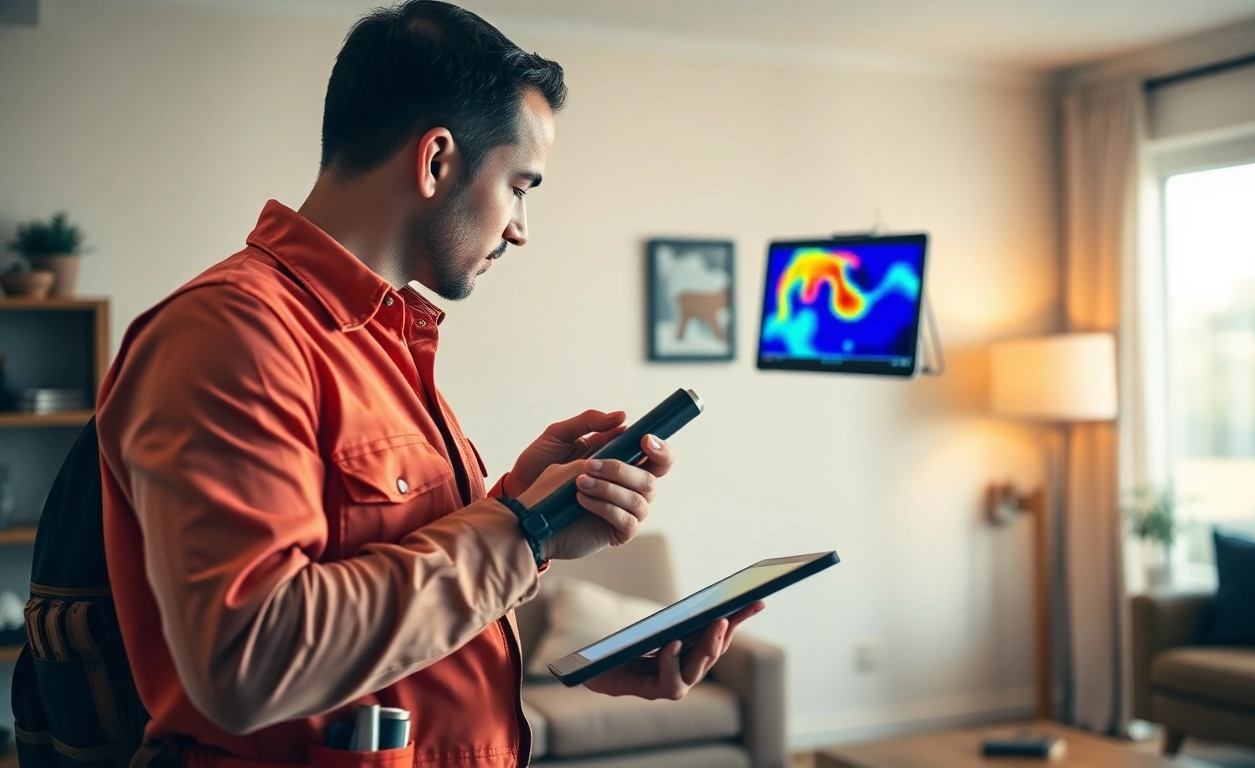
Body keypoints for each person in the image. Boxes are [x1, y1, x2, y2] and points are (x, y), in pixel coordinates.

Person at [94, 2, 761, 767]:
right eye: (521, 185)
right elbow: (249, 659)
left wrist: (521, 502)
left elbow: (403, 588)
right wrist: (522, 530)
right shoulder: (231, 336)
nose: (521, 228)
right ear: (437, 160)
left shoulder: (388, 340)